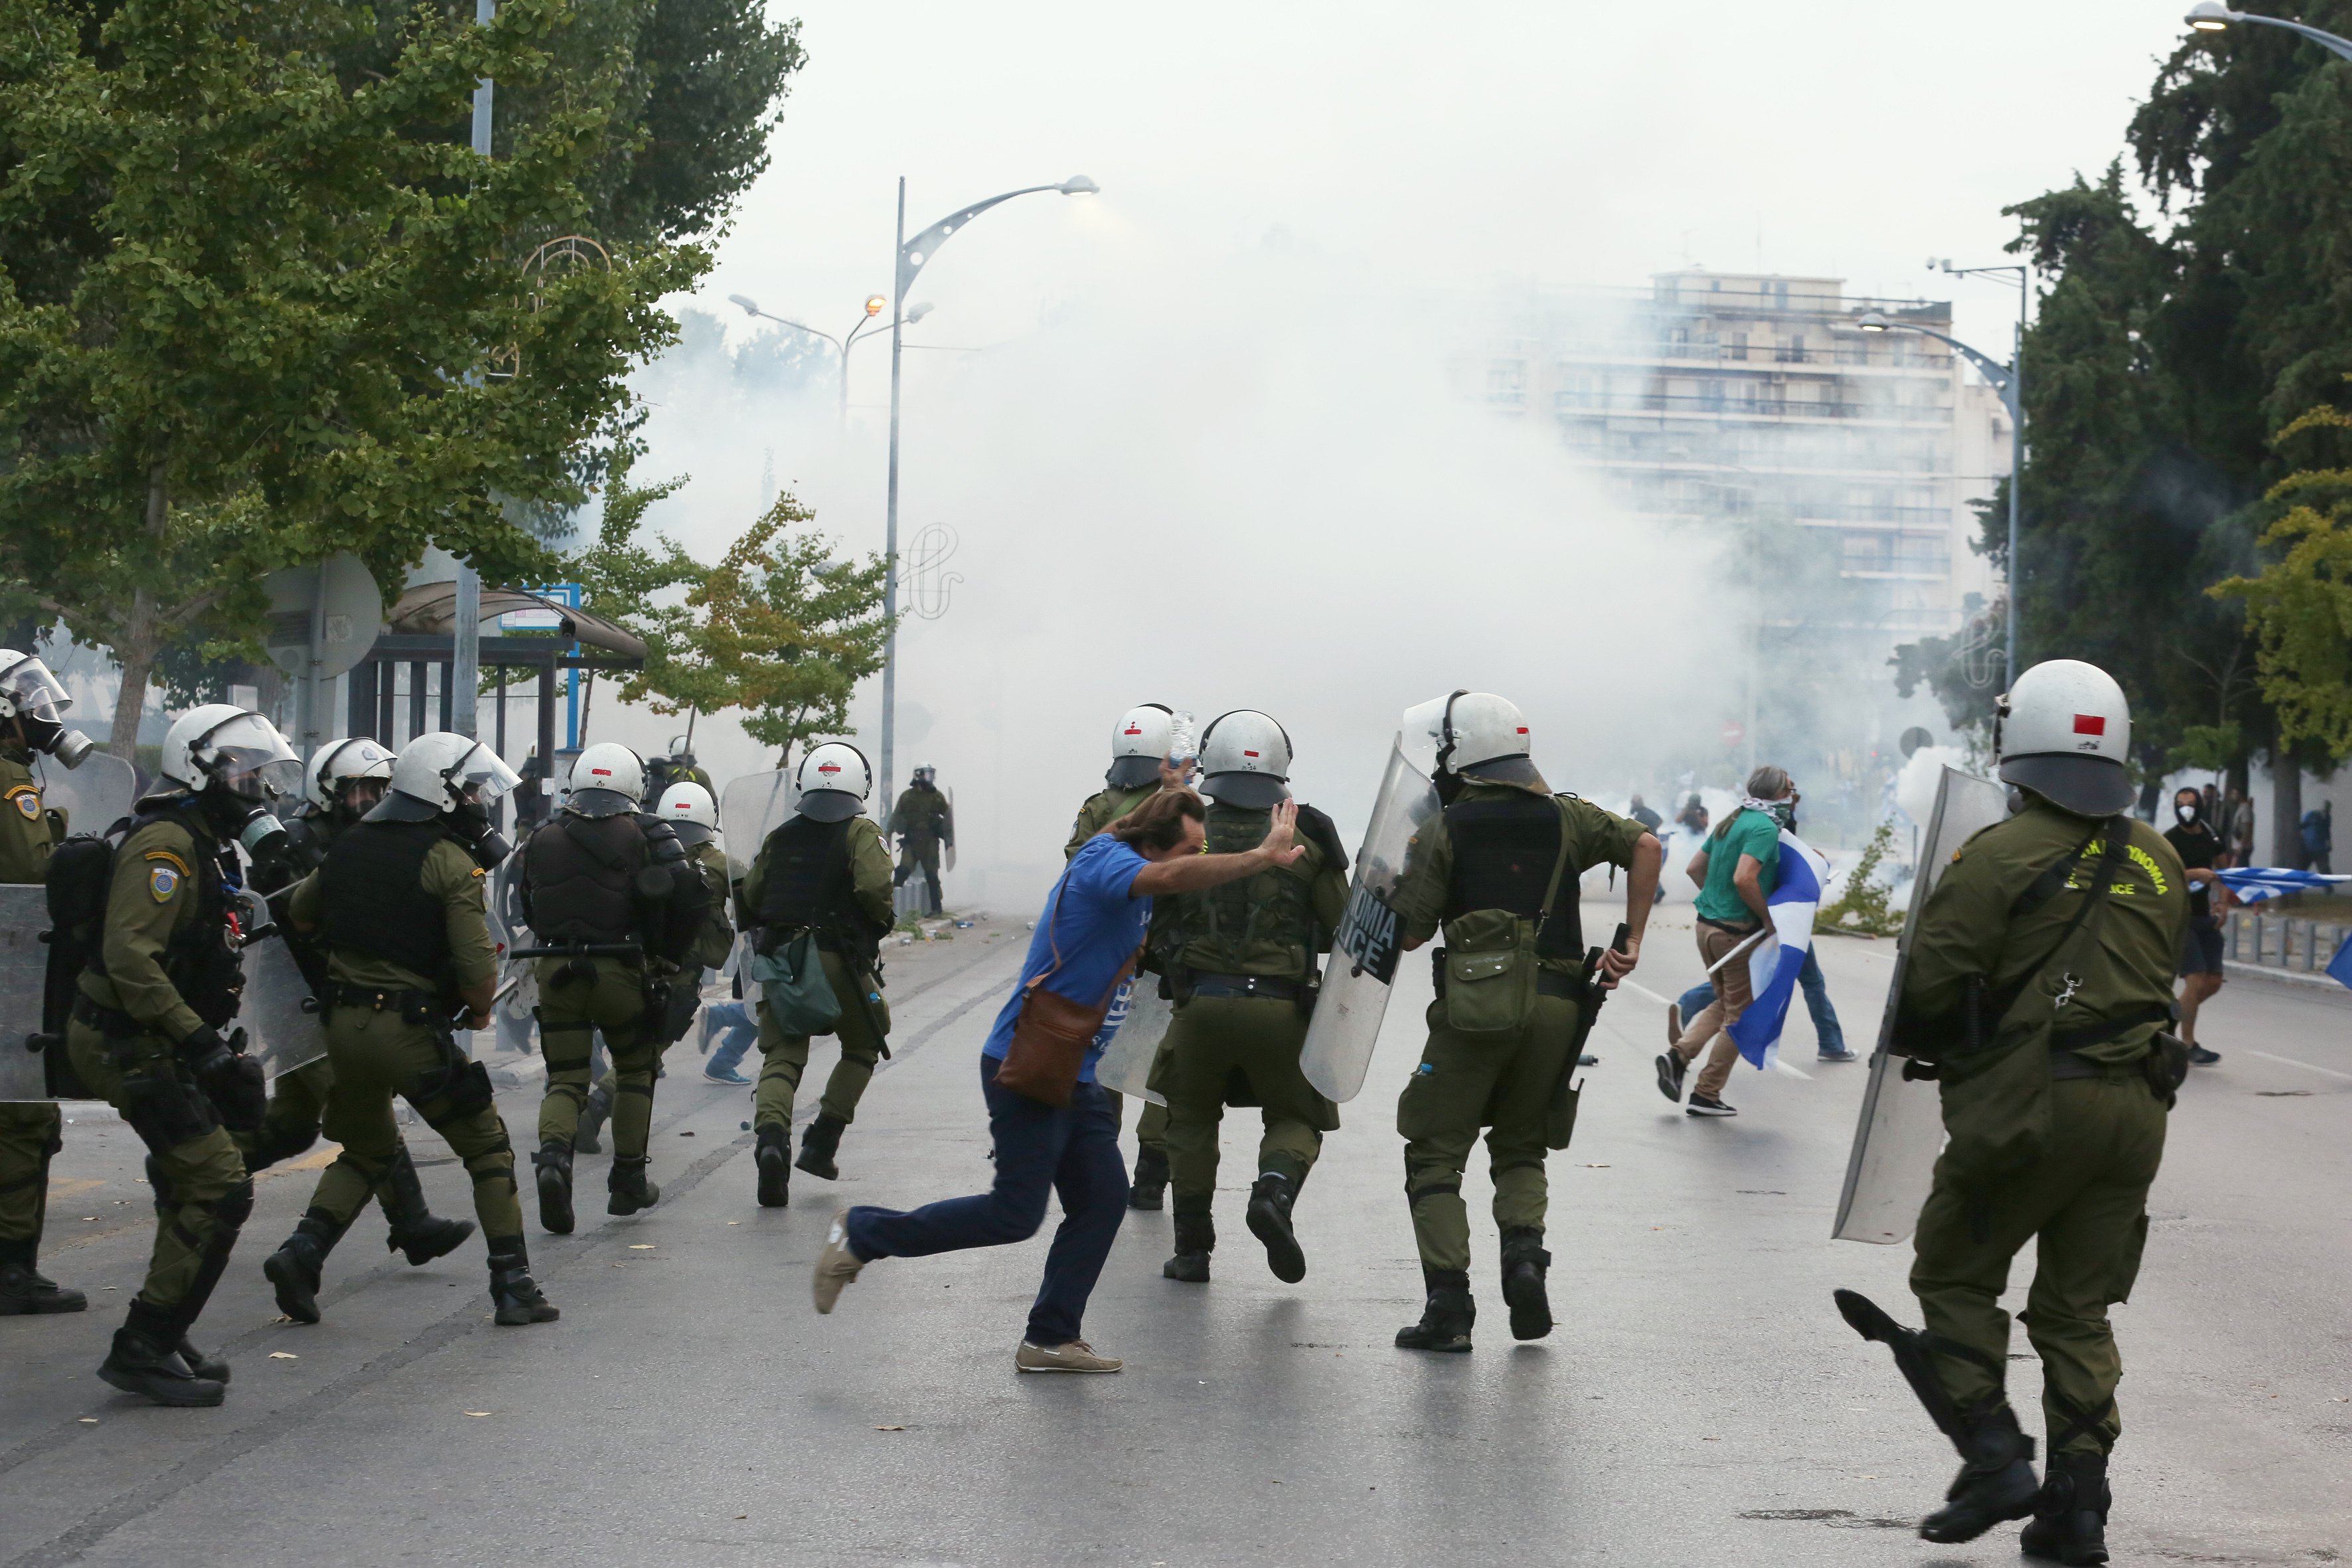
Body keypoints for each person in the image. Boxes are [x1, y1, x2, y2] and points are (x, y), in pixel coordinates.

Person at [1838, 659, 2187, 1561]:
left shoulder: (1992, 854)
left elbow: (1928, 988)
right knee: (2075, 1310)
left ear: (2015, 741)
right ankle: (2076, 1506)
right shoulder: (2157, 856)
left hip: (2031, 1107)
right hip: (2135, 1112)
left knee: (1953, 1274)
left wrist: (1945, 1039)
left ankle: (1994, 1457)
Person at [811, 788, 1304, 1373]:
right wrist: (1260, 858)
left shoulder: (1121, 848)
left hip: (1079, 1072)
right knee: (1013, 1215)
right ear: (1156, 844)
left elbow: (1154, 840)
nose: (1194, 857)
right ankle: (863, 1233)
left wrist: (1175, 786)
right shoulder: (1107, 866)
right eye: (1190, 847)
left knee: (1099, 1203)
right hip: (1029, 1065)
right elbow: (1175, 877)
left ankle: (1049, 1337)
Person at [1387, 692, 1661, 1352]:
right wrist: (1632, 939)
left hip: (1475, 1013)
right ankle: (1525, 1262)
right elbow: (1647, 845)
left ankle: (1449, 1308)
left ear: (1459, 755)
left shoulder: (1445, 828)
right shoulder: (1567, 816)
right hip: (1560, 1010)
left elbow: (1409, 934)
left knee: (1435, 1151)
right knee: (1520, 1144)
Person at [258, 734, 557, 1328]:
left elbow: (302, 912)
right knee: (487, 1147)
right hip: (409, 1031)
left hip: (342, 1027)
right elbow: (477, 970)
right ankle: (514, 1284)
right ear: (439, 791)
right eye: (469, 789)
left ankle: (302, 1253)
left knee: (367, 1148)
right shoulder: (449, 861)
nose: (477, 800)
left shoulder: (351, 845)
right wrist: (477, 1010)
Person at [63, 705, 295, 1404]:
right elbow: (130, 957)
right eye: (246, 774)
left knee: (190, 1176)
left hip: (157, 1033)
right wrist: (202, 1048)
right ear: (202, 770)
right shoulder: (164, 844)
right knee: (218, 1182)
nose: (256, 788)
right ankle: (144, 1343)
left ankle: (168, 1322)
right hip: (125, 1036)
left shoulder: (203, 841)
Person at [238, 737, 474, 1266]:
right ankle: (409, 1224)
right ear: (330, 792)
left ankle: (201, 1171)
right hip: (305, 1007)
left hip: (324, 1003)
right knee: (372, 1128)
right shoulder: (296, 846)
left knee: (292, 1127)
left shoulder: (356, 845)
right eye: (362, 791)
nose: (372, 802)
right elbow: (303, 924)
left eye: (381, 790)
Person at [1151, 710, 1348, 1286]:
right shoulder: (1305, 831)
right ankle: (1273, 1192)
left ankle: (1192, 1251)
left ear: (1210, 760)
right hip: (1280, 1010)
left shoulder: (1187, 828)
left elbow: (1152, 914)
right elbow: (1343, 929)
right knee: (1295, 1114)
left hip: (1200, 1005)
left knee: (1188, 1118)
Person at [518, 742, 706, 1233]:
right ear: (634, 785)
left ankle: (553, 1161)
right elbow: (686, 892)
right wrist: (667, 953)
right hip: (621, 968)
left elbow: (526, 904)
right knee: (634, 1069)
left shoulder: (545, 834)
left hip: (555, 967)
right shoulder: (648, 830)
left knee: (565, 1077)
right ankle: (627, 1181)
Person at [740, 743, 894, 1207]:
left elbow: (751, 893)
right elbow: (874, 885)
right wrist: (878, 921)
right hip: (836, 958)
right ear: (860, 786)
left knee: (782, 1057)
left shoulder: (780, 836)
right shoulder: (862, 832)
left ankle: (771, 1142)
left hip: (783, 959)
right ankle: (822, 1141)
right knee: (867, 1040)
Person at [1065, 702, 1196, 1211]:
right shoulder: (1183, 807)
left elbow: (1078, 865)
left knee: (1105, 1060)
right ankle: (1150, 1174)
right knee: (1161, 1066)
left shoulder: (1099, 805)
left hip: (1109, 956)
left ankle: (1101, 1169)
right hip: (1165, 958)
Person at [0, 650, 90, 1316]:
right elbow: (35, 872)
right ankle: (12, 1272)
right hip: (9, 970)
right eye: (28, 697)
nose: (43, 712)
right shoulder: (10, 782)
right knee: (24, 1117)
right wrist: (64, 831)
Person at [1656, 766, 1797, 1117]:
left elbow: (1694, 869)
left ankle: (1679, 1055)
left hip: (1707, 927)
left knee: (1725, 1003)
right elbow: (1745, 878)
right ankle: (1706, 1093)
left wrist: (1718, 902)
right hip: (1735, 934)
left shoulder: (1733, 820)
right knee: (1742, 1016)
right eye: (1790, 790)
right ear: (1777, 794)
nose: (1793, 796)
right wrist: (1767, 918)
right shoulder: (1763, 828)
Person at [645, 781, 740, 1084]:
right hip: (685, 967)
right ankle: (605, 1101)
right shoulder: (721, 864)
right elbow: (755, 899)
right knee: (653, 1043)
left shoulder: (645, 855)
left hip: (641, 957)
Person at [2165, 785, 2230, 1067]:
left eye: (2191, 804)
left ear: (2200, 806)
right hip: (2181, 916)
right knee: (2195, 979)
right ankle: (2187, 1044)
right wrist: (2194, 874)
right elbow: (2162, 873)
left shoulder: (2212, 836)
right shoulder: (2169, 840)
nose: (2186, 810)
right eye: (2180, 805)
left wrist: (2223, 904)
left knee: (2213, 983)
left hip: (2207, 916)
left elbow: (2225, 873)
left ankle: (2171, 1018)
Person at [888, 764, 954, 917]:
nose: (930, 778)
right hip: (912, 842)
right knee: (902, 871)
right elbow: (896, 816)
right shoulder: (907, 797)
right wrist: (888, 833)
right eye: (927, 774)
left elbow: (948, 817)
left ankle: (936, 908)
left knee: (931, 875)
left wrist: (949, 832)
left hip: (930, 842)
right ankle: (889, 905)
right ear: (918, 775)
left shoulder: (936, 796)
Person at [1628, 795, 1667, 907]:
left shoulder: (1639, 816)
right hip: (1654, 843)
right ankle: (1656, 891)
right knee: (1650, 870)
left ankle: (1658, 890)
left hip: (1645, 845)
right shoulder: (1649, 812)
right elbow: (1660, 821)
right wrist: (1653, 830)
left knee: (1645, 870)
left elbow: (1635, 831)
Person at [2303, 801, 2333, 876]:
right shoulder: (2312, 815)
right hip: (2309, 848)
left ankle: (2328, 887)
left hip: (2320, 849)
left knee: (2325, 872)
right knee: (2301, 870)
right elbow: (2300, 825)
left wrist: (2329, 844)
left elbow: (2327, 832)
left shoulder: (2327, 818)